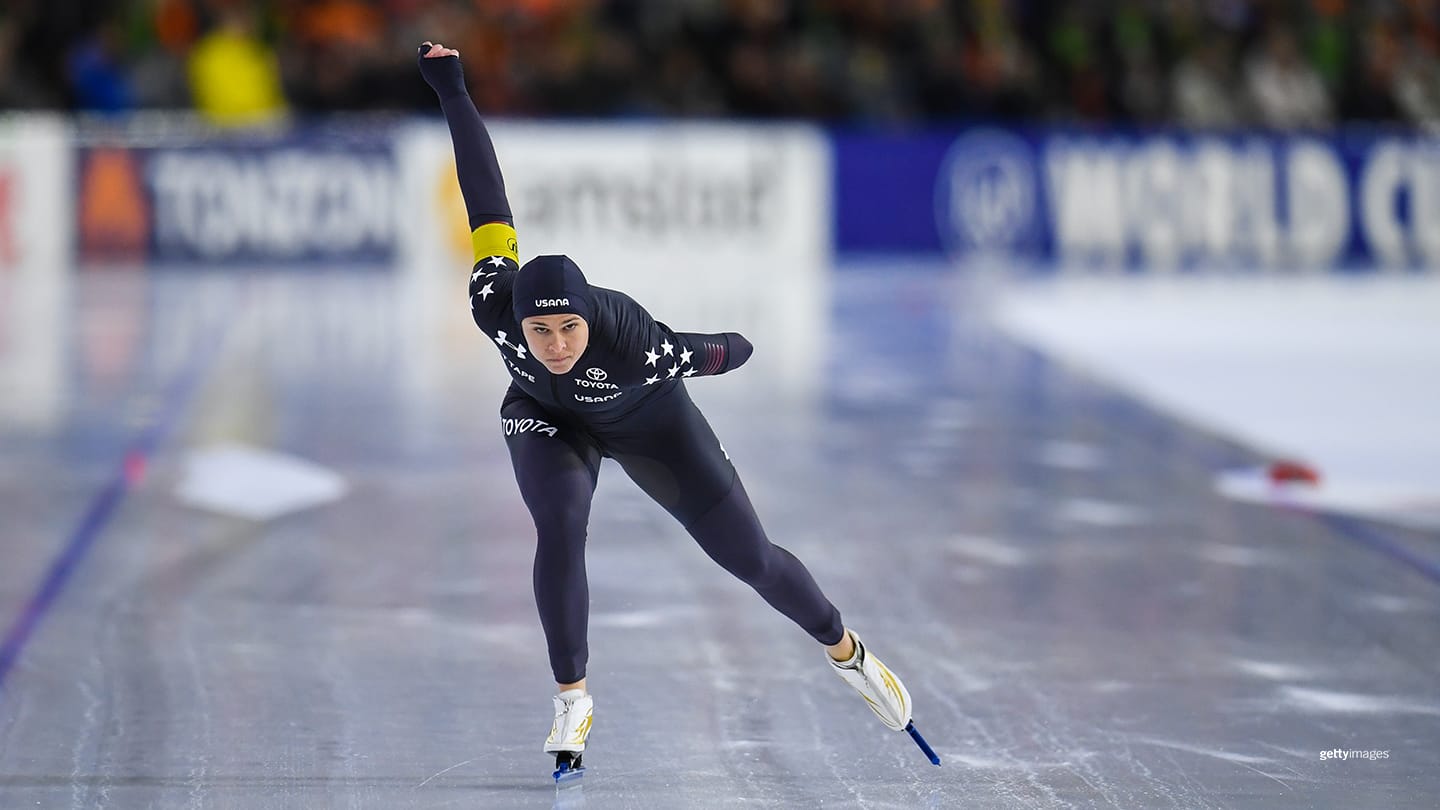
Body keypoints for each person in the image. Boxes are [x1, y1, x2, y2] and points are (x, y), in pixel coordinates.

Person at [415, 41, 918, 777]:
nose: (555, 343)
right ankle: (572, 698)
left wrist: (742, 346)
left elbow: (719, 349)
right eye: (540, 330)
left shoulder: (632, 341)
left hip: (652, 424)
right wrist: (451, 88)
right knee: (559, 523)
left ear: (591, 320)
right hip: (545, 418)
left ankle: (847, 649)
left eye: (568, 329)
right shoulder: (494, 299)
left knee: (750, 558)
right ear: (514, 321)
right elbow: (485, 194)